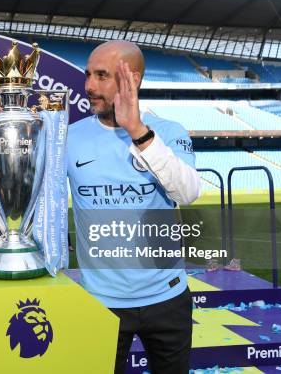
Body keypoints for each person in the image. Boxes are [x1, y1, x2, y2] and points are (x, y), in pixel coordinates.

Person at [67, 40, 201, 373]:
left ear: (133, 79)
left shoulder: (169, 132)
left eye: (101, 75)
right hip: (101, 302)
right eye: (88, 75)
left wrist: (138, 131)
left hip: (167, 299)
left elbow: (187, 192)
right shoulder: (70, 137)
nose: (89, 86)